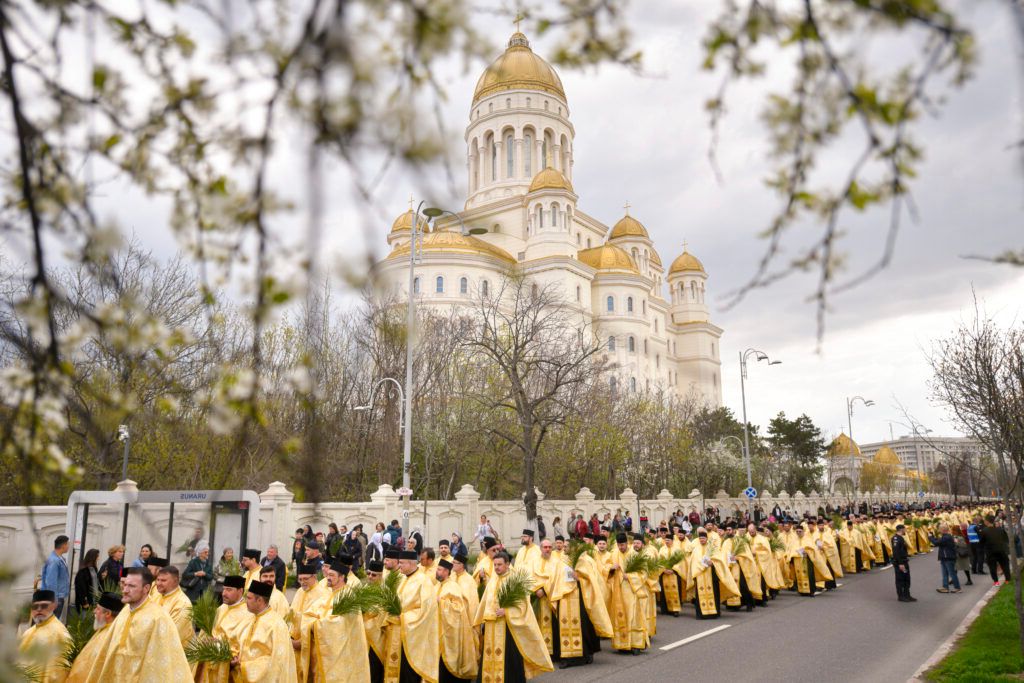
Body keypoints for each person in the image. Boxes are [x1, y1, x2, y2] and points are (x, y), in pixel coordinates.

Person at [91, 568, 191, 681]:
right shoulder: (125, 611)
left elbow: (160, 662)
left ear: (146, 588)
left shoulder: (158, 618)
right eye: (125, 584)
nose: (125, 590)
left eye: (132, 586)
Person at [475, 551, 554, 681]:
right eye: (495, 565)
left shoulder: (515, 580)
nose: (496, 567)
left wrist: (507, 612)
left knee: (509, 659)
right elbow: (485, 602)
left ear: (507, 564)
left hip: (508, 628)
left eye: (499, 564)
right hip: (491, 628)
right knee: (489, 657)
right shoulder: (493, 580)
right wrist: (481, 619)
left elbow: (523, 605)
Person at [380, 550, 438, 682]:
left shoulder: (424, 581)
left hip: (413, 638)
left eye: (401, 563)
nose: (399, 566)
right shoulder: (403, 579)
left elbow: (426, 611)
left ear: (412, 563)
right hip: (397, 634)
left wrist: (402, 618)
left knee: (408, 673)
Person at [234, 579, 297, 682]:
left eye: (249, 598)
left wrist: (245, 667)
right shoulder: (250, 618)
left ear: (259, 601)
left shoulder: (277, 625)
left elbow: (277, 662)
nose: (245, 601)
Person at [436, 558, 478, 682]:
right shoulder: (438, 585)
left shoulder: (452, 586)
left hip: (449, 633)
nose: (436, 572)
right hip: (437, 632)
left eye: (439, 570)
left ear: (446, 572)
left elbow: (458, 609)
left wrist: (441, 603)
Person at [66, 591, 123, 683]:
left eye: (97, 609)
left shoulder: (112, 636)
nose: (94, 611)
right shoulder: (103, 629)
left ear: (107, 614)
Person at [18, 589, 70, 683]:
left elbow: (59, 673)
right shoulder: (28, 632)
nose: (39, 609)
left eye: (44, 606)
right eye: (35, 606)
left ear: (54, 606)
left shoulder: (60, 633)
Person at [288, 563, 328, 675]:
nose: (302, 582)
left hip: (311, 646)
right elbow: (291, 614)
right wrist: (290, 637)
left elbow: (321, 623)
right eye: (300, 579)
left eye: (305, 578)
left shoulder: (323, 594)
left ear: (314, 577)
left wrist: (302, 642)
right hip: (294, 644)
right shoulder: (299, 591)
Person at [155, 565, 195, 649]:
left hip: (179, 653)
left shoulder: (183, 604)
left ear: (175, 581)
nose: (158, 583)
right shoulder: (157, 596)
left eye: (163, 580)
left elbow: (173, 635)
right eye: (157, 579)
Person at [40, 535, 70, 617]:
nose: (68, 547)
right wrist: (54, 600)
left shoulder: (59, 559)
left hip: (58, 596)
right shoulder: (54, 561)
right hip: (55, 598)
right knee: (51, 623)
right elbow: (51, 582)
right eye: (68, 544)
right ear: (63, 546)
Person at [980, 515, 1012, 586]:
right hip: (1001, 550)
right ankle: (1007, 580)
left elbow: (981, 542)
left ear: (987, 521)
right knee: (1005, 565)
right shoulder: (1000, 529)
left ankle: (996, 581)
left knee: (992, 567)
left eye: (985, 520)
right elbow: (1006, 539)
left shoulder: (984, 531)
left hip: (990, 552)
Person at [892, 523, 915, 602]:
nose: (905, 530)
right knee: (900, 579)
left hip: (904, 561)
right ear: (901, 529)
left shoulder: (901, 538)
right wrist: (900, 563)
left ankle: (907, 595)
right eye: (904, 529)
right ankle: (901, 596)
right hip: (900, 562)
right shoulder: (896, 538)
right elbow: (896, 552)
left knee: (906, 579)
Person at [74, 548, 101, 613]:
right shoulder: (83, 571)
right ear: (93, 557)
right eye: (97, 556)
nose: (98, 558)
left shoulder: (94, 569)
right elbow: (80, 588)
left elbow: (95, 583)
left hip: (93, 601)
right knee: (85, 620)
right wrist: (84, 602)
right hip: (86, 602)